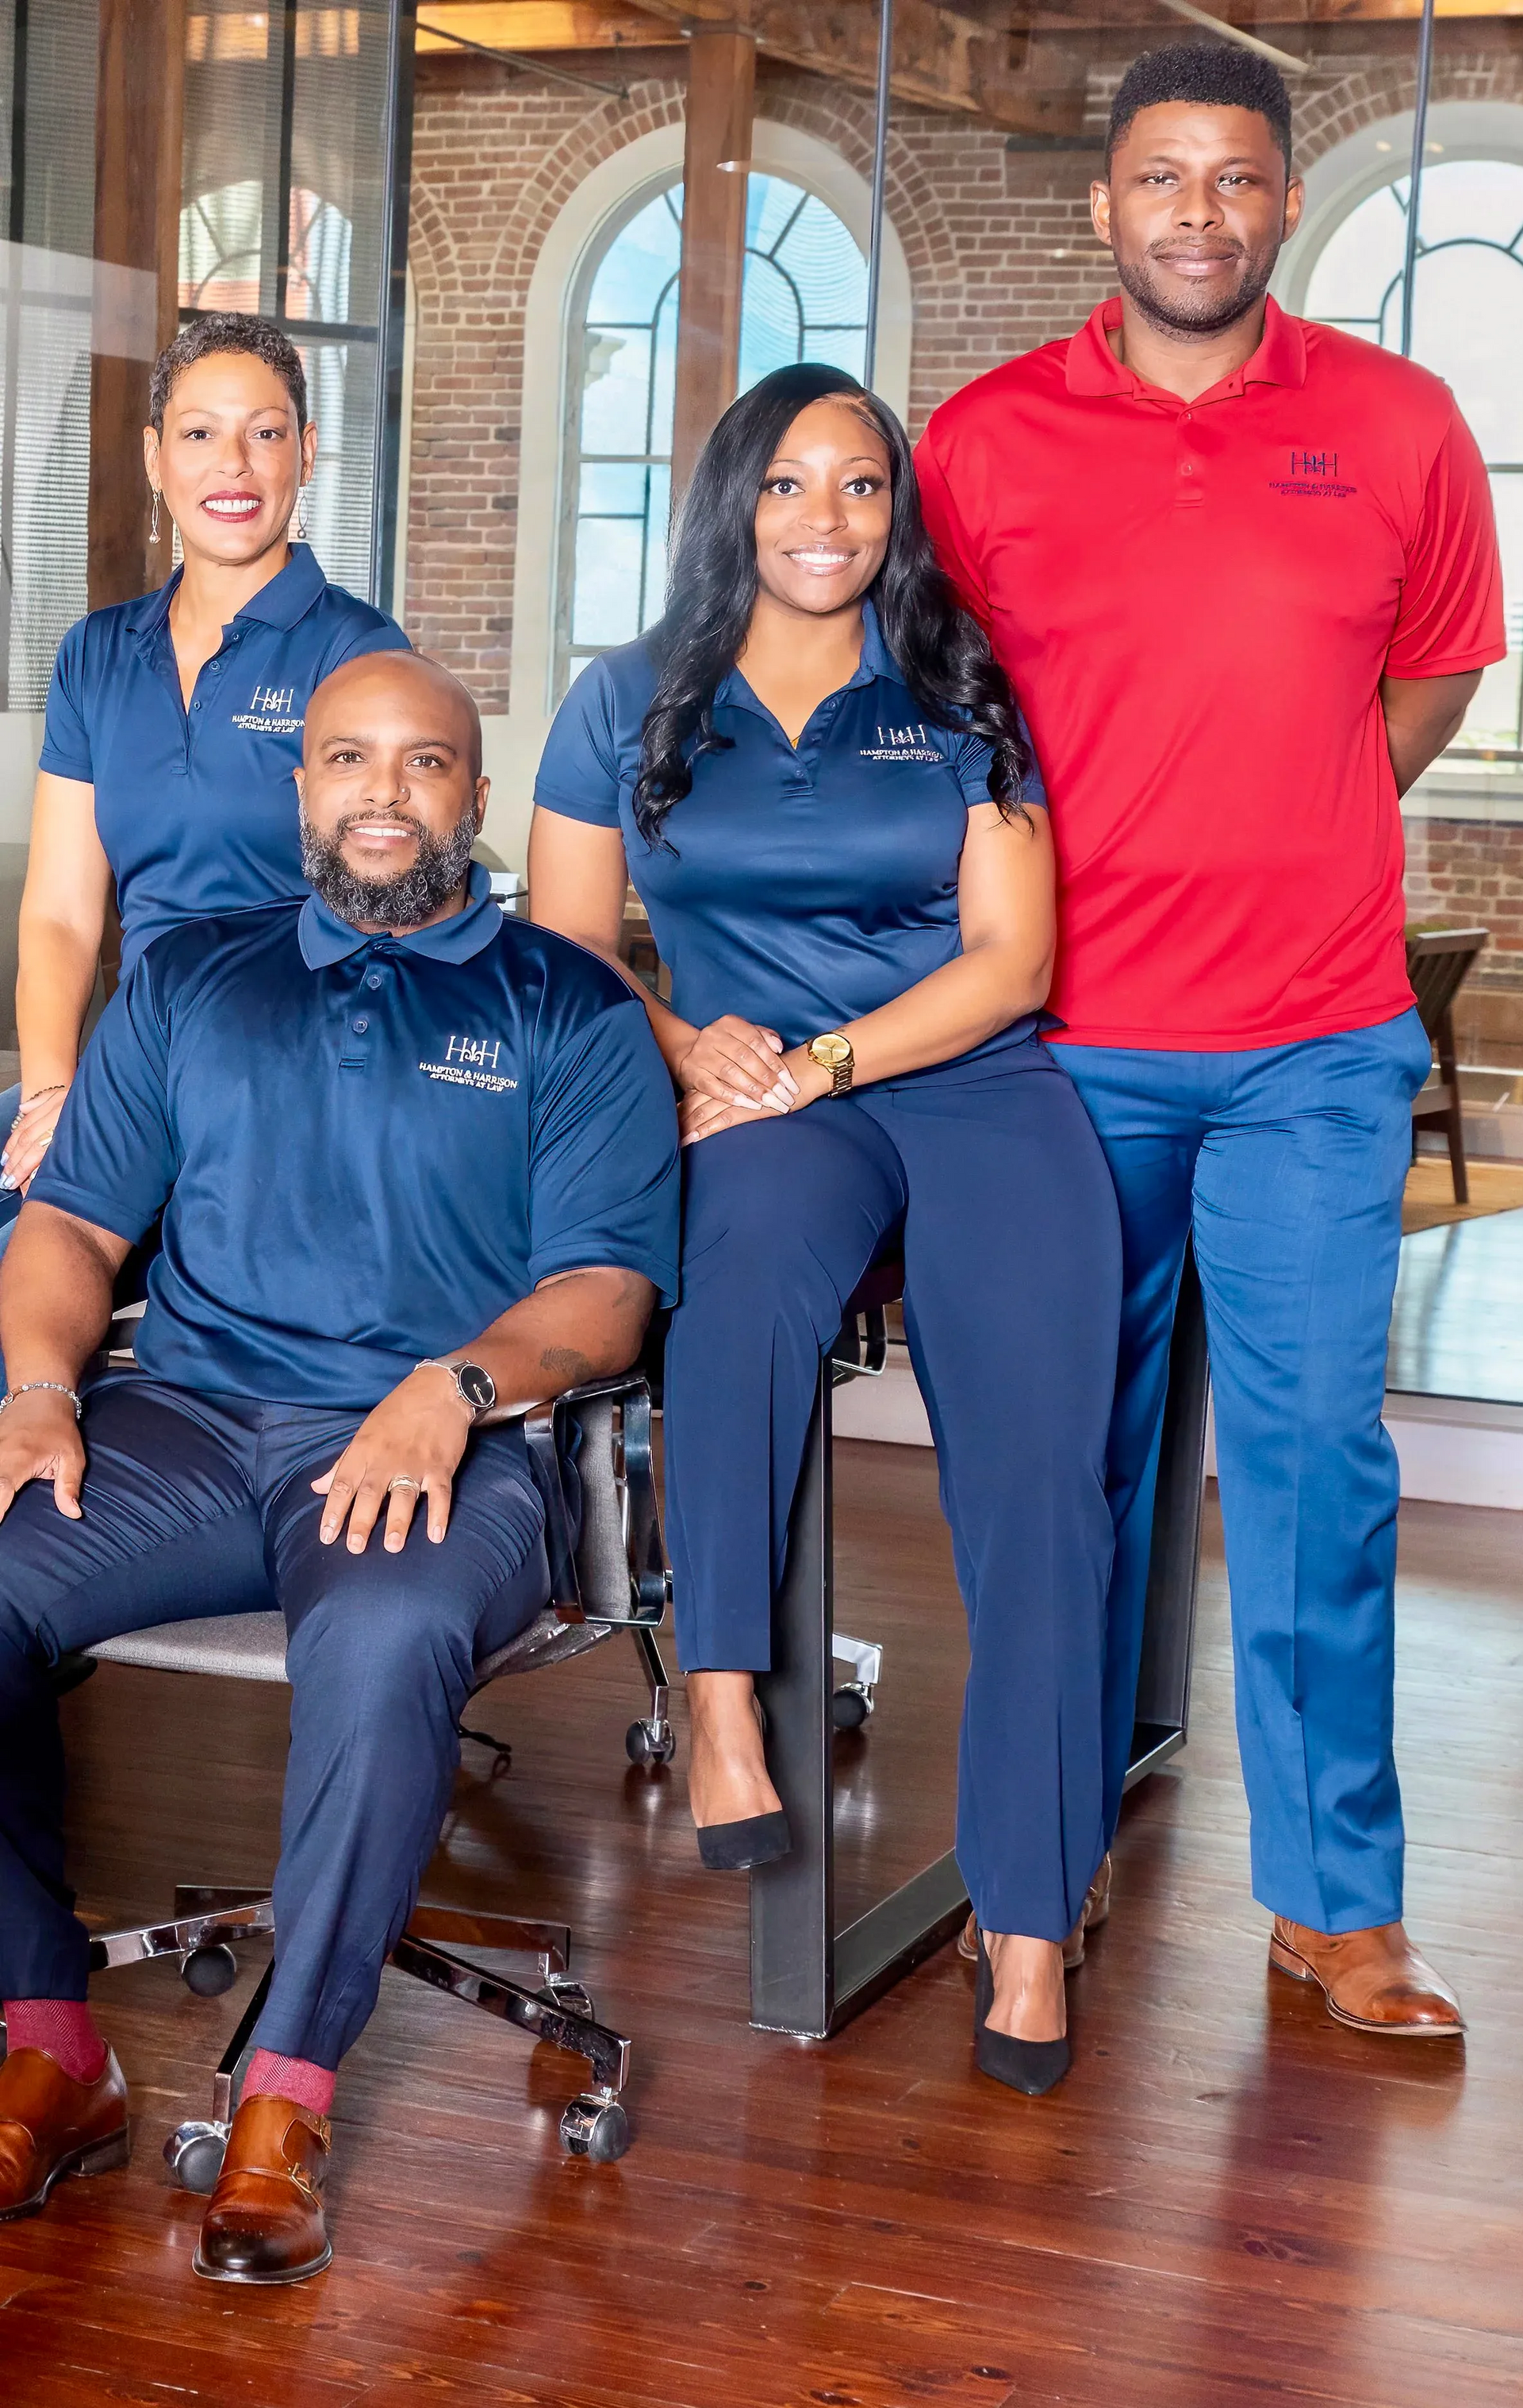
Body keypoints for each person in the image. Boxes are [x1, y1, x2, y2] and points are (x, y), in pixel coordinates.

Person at [915, 43, 1504, 2037]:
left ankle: (1337, 1901)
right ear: (1105, 205)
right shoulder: (982, 443)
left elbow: (1423, 683)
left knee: (1316, 1466)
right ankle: (1041, 1853)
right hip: (1060, 1050)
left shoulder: (1402, 423)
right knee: (1058, 1466)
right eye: (1158, 176)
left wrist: (1295, 808)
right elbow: (937, 723)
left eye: (1234, 179)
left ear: (1280, 206)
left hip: (1312, 1046)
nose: (1196, 213)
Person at [0, 652, 678, 2281]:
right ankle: (47, 2041)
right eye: (350, 760)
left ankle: (283, 2101)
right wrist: (36, 1382)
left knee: (378, 1641)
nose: (385, 790)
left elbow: (606, 1288)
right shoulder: (189, 978)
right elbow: (77, 1221)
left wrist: (454, 1385)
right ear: (299, 788)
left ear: (476, 795)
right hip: (189, 1418)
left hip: (444, 1439)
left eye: (425, 762)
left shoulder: (564, 1004)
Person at [529, 363, 1121, 2097]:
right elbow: (573, 958)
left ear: (897, 509)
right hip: (757, 1105)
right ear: (733, 500)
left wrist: (826, 1057)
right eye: (789, 483)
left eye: (861, 486)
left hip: (966, 1082)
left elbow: (1013, 959)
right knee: (738, 1291)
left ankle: (1024, 1911)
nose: (826, 519)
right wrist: (684, 1042)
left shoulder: (955, 686)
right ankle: (721, 1695)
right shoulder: (630, 698)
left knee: (1034, 1478)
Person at [1, 310, 409, 1220]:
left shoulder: (361, 654)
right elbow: (64, 912)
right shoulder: (96, 654)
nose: (234, 464)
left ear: (305, 452)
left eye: (264, 433)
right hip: (128, 1068)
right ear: (155, 458)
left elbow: (385, 926)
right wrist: (52, 1096)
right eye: (199, 433)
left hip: (281, 1079)